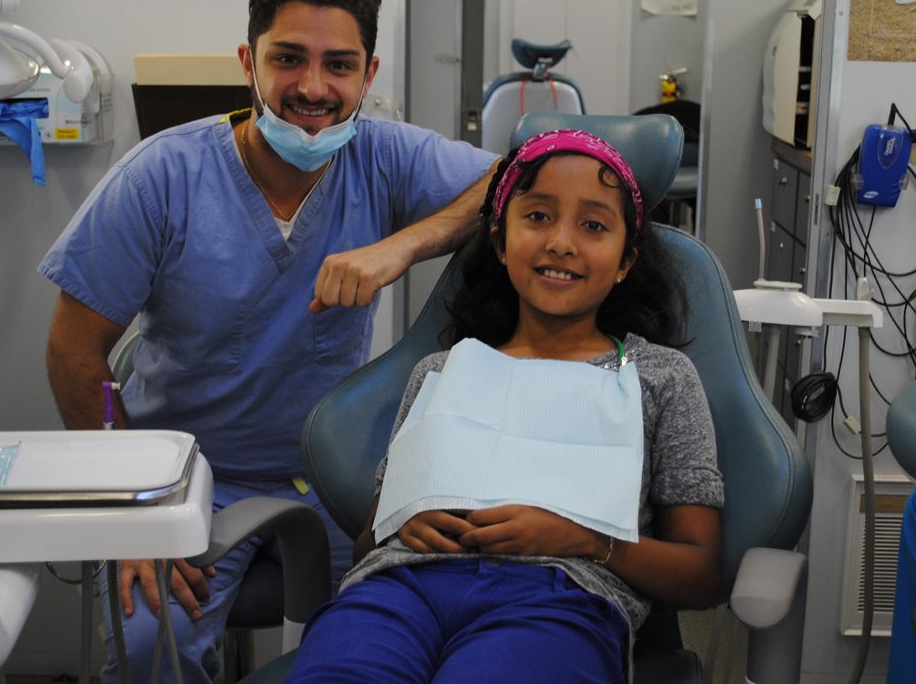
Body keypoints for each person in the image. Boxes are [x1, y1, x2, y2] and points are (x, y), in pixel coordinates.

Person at [38, 0, 497, 684]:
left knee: (414, 631)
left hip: (339, 475)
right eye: (288, 58)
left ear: (367, 73)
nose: (314, 88)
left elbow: (528, 175)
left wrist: (402, 245)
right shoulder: (164, 176)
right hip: (185, 479)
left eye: (338, 65)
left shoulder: (382, 157)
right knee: (150, 640)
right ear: (249, 61)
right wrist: (132, 511)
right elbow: (74, 349)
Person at [283, 129, 724, 684]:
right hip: (397, 590)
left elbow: (702, 574)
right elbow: (370, 542)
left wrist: (585, 541)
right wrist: (407, 523)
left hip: (558, 599)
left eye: (593, 225)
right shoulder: (440, 372)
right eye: (537, 216)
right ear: (500, 240)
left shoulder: (659, 378)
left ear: (624, 262)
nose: (561, 242)